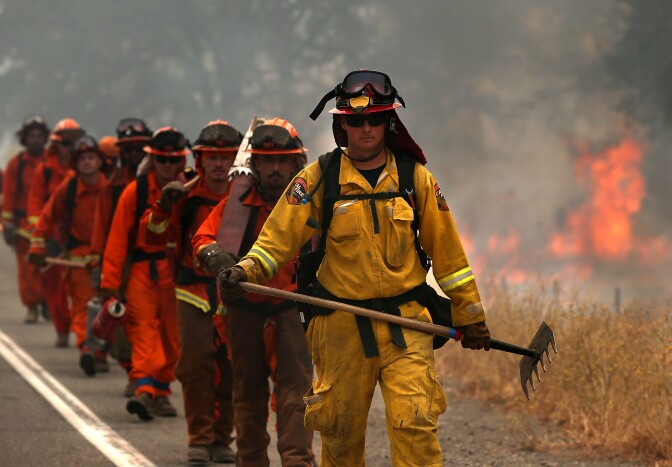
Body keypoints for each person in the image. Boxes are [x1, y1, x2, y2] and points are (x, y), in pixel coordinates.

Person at [219, 71, 491, 466]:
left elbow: (451, 258)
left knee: (415, 423)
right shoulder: (317, 178)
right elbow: (275, 240)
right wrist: (246, 272)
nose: (366, 128)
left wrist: (471, 315)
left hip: (408, 324)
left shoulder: (416, 179)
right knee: (340, 434)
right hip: (340, 324)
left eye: (375, 119)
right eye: (356, 120)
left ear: (388, 123)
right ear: (341, 124)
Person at [193, 118, 316, 466]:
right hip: (244, 311)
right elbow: (202, 238)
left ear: (297, 164)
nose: (275, 169)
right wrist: (214, 255)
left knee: (296, 394)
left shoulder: (310, 205)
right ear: (255, 165)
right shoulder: (235, 207)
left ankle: (297, 461)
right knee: (247, 396)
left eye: (282, 161)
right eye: (266, 161)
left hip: (292, 310)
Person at [140, 120, 242, 464]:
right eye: (210, 157)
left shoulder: (246, 195)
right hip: (192, 291)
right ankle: (199, 437)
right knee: (196, 365)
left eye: (225, 156)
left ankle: (222, 439)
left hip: (234, 293)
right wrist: (163, 207)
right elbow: (151, 238)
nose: (217, 164)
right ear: (200, 159)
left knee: (232, 367)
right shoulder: (183, 192)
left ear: (236, 159)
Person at [101, 127, 186, 421]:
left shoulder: (190, 190)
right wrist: (110, 283)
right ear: (153, 160)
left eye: (172, 161)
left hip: (176, 272)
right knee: (143, 330)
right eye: (161, 160)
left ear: (181, 161)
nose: (166, 167)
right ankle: (144, 389)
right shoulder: (134, 191)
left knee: (173, 337)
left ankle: (161, 392)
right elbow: (116, 239)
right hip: (141, 271)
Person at [28, 135, 107, 375]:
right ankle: (87, 349)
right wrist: (37, 247)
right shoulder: (69, 188)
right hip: (78, 258)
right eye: (81, 159)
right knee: (84, 306)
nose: (86, 163)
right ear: (76, 163)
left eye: (91, 157)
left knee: (109, 308)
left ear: (100, 162)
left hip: (107, 259)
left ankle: (100, 352)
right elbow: (46, 216)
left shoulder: (111, 188)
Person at [89, 118, 152, 389]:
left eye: (139, 148)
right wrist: (97, 264)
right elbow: (102, 229)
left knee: (152, 326)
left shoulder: (160, 183)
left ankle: (148, 380)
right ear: (121, 153)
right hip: (121, 264)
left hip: (156, 266)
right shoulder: (112, 188)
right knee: (124, 321)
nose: (134, 154)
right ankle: (136, 375)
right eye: (128, 149)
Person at [26, 118, 84, 345]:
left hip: (80, 239)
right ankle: (62, 328)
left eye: (73, 144)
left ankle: (87, 339)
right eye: (64, 144)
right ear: (56, 144)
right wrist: (37, 235)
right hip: (53, 237)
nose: (68, 148)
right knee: (56, 289)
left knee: (84, 293)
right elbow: (35, 203)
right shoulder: (46, 170)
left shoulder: (88, 168)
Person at [2, 116, 51, 323]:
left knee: (49, 268)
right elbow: (10, 195)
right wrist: (8, 225)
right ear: (25, 139)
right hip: (23, 227)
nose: (36, 140)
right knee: (28, 270)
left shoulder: (53, 162)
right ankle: (32, 306)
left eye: (40, 136)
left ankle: (48, 304)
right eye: (32, 136)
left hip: (50, 226)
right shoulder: (16, 165)